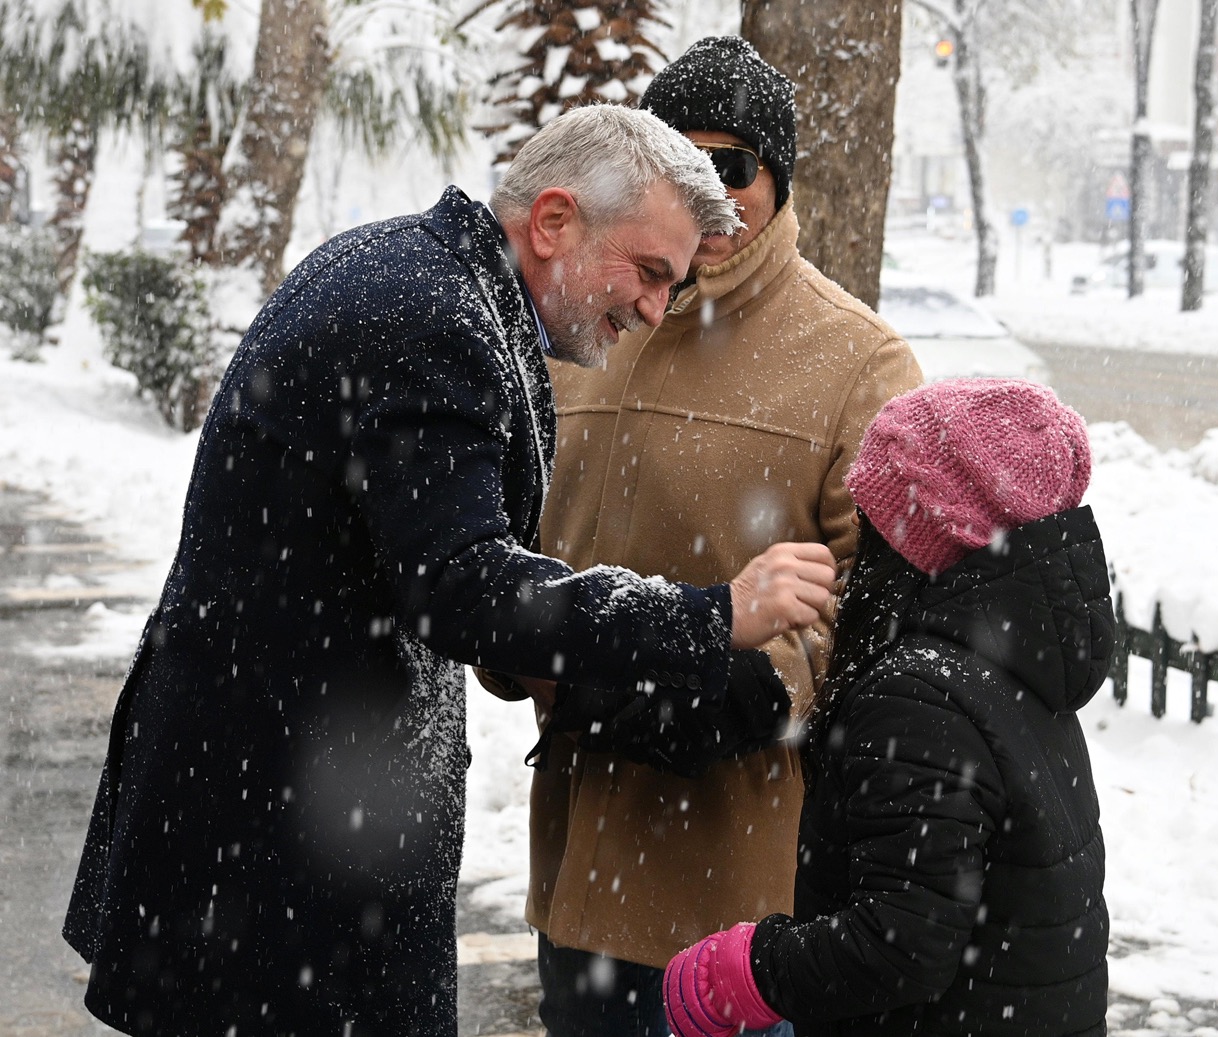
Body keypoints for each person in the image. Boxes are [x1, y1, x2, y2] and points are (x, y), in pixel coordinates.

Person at [60, 103, 841, 1037]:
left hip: (284, 826)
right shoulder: (430, 316)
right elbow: (464, 587)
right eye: (647, 272)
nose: (652, 308)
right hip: (274, 855)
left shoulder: (426, 279)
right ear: (554, 221)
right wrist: (712, 614)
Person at [495, 35, 923, 1037]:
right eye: (680, 164)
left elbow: (887, 592)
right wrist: (523, 655)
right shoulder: (582, 329)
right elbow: (510, 539)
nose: (711, 194)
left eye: (731, 166)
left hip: (743, 895)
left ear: (780, 178)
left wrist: (756, 685)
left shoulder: (858, 358)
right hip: (576, 873)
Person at [662, 378, 1115, 1037]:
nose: (858, 527)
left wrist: (748, 970)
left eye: (869, 510)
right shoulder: (1017, 661)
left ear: (915, 535)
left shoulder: (920, 695)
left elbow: (900, 942)